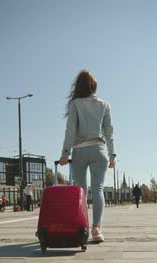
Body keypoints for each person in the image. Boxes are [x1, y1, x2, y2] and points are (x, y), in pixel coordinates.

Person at [59, 69, 115, 243]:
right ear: (94, 86)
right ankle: (96, 230)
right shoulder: (104, 105)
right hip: (99, 150)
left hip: (80, 151)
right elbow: (109, 132)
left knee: (81, 191)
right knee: (98, 189)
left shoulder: (75, 104)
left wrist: (64, 154)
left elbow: (70, 131)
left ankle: (81, 227)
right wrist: (112, 155)